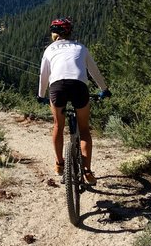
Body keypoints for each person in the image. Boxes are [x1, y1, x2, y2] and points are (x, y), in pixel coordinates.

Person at [38, 17, 110, 185]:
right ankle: (87, 171)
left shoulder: (49, 50)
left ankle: (59, 164)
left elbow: (44, 75)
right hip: (79, 86)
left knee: (58, 125)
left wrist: (41, 95)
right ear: (70, 32)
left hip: (58, 87)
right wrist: (104, 89)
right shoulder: (81, 48)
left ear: (54, 34)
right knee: (84, 129)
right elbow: (94, 72)